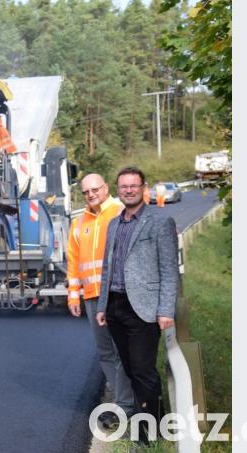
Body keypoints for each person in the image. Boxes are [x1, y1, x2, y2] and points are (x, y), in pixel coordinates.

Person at [96, 167, 178, 445]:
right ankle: (158, 416)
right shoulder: (114, 224)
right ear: (117, 190)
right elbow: (108, 268)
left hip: (143, 308)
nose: (128, 190)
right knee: (131, 370)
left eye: (133, 186)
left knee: (143, 370)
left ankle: (148, 436)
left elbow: (169, 271)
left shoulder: (159, 222)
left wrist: (166, 309)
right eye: (123, 186)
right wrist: (102, 306)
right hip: (116, 307)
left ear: (143, 188)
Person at [67, 173, 134, 430]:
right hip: (92, 298)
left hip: (116, 295)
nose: (91, 194)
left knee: (120, 351)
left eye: (95, 189)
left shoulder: (120, 213)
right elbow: (73, 263)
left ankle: (125, 406)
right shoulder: (79, 223)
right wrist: (74, 295)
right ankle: (121, 402)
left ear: (106, 188)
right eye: (86, 192)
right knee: (105, 351)